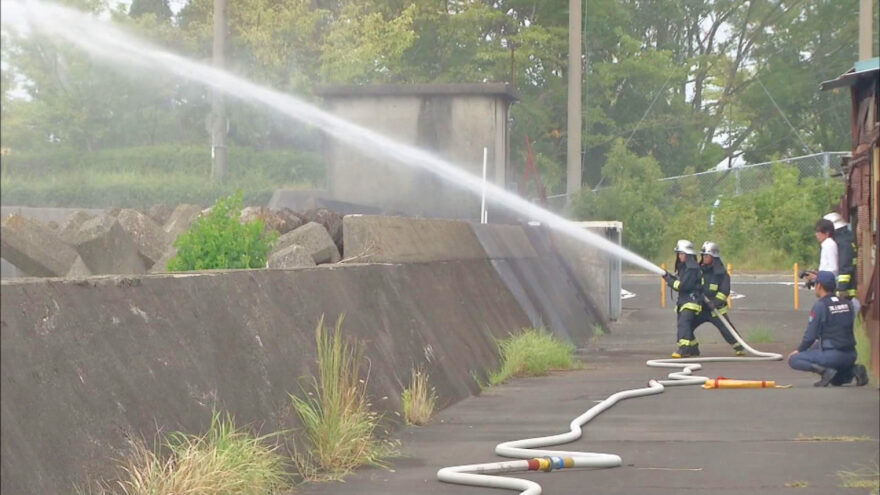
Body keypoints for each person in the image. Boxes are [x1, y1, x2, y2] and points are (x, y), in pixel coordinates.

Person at [788, 271, 869, 387]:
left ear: (819, 286)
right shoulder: (848, 304)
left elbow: (810, 336)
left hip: (833, 356)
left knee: (794, 360)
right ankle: (854, 369)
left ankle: (825, 372)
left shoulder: (821, 306)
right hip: (851, 354)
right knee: (837, 381)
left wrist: (799, 350)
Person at [693, 242, 745, 356]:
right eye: (703, 255)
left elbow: (724, 291)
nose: (704, 258)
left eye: (707, 255)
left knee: (727, 330)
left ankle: (739, 347)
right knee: (685, 326)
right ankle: (691, 348)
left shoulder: (722, 274)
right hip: (700, 308)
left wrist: (715, 303)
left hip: (716, 311)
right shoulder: (698, 271)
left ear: (714, 257)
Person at [662, 240, 704, 358]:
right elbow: (679, 280)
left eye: (681, 253)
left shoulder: (691, 268)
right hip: (685, 301)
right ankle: (693, 348)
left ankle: (684, 349)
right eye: (679, 254)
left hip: (690, 302)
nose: (679, 256)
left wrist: (669, 280)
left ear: (687, 254)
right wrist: (668, 276)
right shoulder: (686, 267)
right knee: (687, 326)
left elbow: (683, 286)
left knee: (683, 324)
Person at [823, 212, 858, 300]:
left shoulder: (843, 242)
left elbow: (845, 266)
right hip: (848, 288)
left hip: (845, 291)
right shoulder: (847, 238)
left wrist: (841, 288)